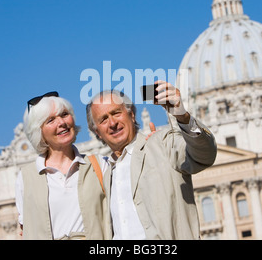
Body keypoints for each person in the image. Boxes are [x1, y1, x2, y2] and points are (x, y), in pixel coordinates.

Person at [86, 80, 217, 240]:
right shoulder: (104, 174)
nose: (112, 123)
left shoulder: (162, 143)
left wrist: (183, 116)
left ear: (132, 114)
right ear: (97, 132)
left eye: (116, 113)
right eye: (103, 119)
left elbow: (205, 153)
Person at [15, 91, 112, 240]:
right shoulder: (26, 178)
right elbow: (25, 231)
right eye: (51, 120)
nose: (61, 123)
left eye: (65, 114)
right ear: (38, 132)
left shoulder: (100, 165)